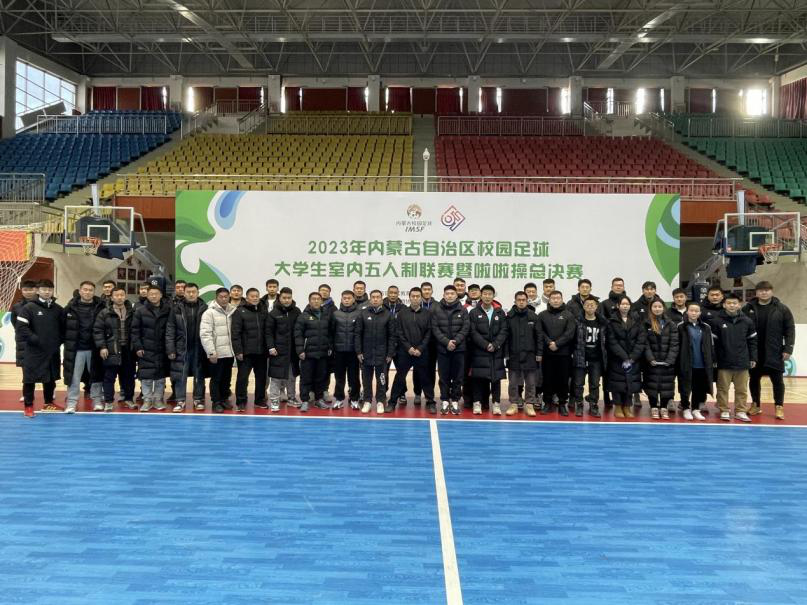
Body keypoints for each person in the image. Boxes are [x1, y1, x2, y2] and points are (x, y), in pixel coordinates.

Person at [743, 281, 794, 420]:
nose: (764, 292)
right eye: (761, 290)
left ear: (772, 291)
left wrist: (788, 348)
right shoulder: (747, 308)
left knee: (777, 381)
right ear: (756, 293)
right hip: (754, 351)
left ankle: (779, 406)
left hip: (775, 351)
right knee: (754, 379)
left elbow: (790, 329)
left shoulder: (782, 308)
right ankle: (755, 405)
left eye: (766, 290)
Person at [16, 279, 63, 417]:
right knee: (29, 379)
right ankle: (28, 406)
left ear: (52, 291)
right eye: (44, 289)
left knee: (50, 378)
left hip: (52, 351)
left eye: (49, 289)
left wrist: (57, 342)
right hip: (34, 351)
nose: (47, 292)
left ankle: (48, 403)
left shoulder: (58, 309)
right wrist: (35, 340)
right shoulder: (29, 308)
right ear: (37, 291)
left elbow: (64, 328)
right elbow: (21, 328)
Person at [389, 287, 435, 413]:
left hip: (422, 353)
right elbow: (399, 332)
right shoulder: (402, 313)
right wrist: (408, 347)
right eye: (413, 296)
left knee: (425, 378)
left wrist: (420, 348)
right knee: (399, 378)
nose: (415, 298)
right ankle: (392, 402)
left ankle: (431, 402)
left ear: (421, 298)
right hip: (405, 352)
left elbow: (429, 333)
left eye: (417, 296)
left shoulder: (427, 314)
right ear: (409, 297)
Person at [712, 293, 757, 422]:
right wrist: (714, 359)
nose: (732, 305)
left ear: (739, 305)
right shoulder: (716, 321)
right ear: (724, 305)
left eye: (734, 303)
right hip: (723, 362)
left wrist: (753, 358)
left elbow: (753, 341)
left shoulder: (747, 321)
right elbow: (713, 343)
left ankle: (740, 411)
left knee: (742, 389)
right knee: (722, 388)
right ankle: (724, 410)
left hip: (742, 361)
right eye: (729, 303)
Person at [62, 281, 106, 413]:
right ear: (80, 291)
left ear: (94, 292)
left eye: (90, 290)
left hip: (95, 348)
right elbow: (61, 327)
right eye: (85, 290)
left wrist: (102, 345)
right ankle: (71, 403)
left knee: (96, 376)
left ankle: (97, 401)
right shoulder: (69, 308)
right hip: (76, 350)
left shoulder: (101, 307)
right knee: (74, 378)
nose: (87, 292)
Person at [165, 282, 208, 412]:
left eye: (193, 292)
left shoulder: (205, 308)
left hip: (199, 348)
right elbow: (170, 330)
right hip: (181, 348)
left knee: (199, 375)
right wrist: (171, 349)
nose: (191, 294)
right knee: (180, 376)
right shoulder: (176, 308)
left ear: (198, 293)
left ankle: (198, 399)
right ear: (184, 293)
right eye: (188, 292)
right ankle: (180, 400)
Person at [467, 285, 508, 415]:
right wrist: (485, 345)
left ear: (493, 296)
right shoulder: (474, 312)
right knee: (478, 378)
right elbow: (473, 332)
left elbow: (504, 330)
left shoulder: (500, 312)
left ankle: (496, 404)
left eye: (490, 294)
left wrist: (495, 345)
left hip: (496, 351)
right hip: (479, 351)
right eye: (485, 294)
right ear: (481, 295)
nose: (487, 296)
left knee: (496, 379)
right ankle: (477, 403)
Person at [94, 286, 136, 411]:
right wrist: (102, 346)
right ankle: (108, 401)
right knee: (109, 377)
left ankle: (129, 399)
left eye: (122, 295)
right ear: (112, 298)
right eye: (116, 295)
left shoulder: (132, 312)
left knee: (129, 376)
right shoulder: (104, 312)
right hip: (111, 349)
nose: (119, 297)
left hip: (128, 349)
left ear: (125, 296)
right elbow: (98, 330)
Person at [131, 285, 172, 412]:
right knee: (146, 377)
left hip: (162, 349)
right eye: (151, 294)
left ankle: (158, 399)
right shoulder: (140, 311)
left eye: (156, 293)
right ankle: (147, 400)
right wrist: (138, 346)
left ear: (161, 295)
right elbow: (134, 331)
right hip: (145, 349)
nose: (153, 296)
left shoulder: (168, 310)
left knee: (160, 377)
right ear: (147, 296)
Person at [536, 291, 576, 416]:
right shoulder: (542, 315)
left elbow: (570, 333)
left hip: (564, 354)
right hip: (547, 353)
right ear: (549, 300)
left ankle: (562, 403)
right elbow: (540, 332)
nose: (555, 300)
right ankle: (547, 403)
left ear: (562, 299)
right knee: (547, 379)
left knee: (563, 380)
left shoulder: (569, 315)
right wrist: (549, 343)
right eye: (553, 298)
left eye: (558, 298)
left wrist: (557, 344)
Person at [432, 285, 470, 415]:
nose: (449, 295)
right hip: (443, 349)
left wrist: (455, 341)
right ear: (443, 295)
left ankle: (455, 400)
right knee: (443, 377)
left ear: (456, 295)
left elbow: (465, 328)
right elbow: (435, 328)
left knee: (458, 377)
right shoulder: (437, 309)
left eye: (452, 293)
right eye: (447, 293)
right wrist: (446, 342)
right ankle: (444, 400)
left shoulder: (463, 310)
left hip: (459, 349)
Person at [606, 296, 646, 419]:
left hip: (633, 358)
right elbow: (611, 341)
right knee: (617, 383)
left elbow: (641, 340)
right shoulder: (611, 321)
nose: (625, 306)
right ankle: (618, 406)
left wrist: (632, 357)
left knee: (630, 382)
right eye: (622, 304)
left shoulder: (637, 320)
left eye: (627, 304)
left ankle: (627, 406)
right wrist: (624, 357)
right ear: (618, 306)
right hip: (617, 358)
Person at [356, 289, 395, 413]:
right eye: (373, 297)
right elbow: (358, 334)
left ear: (382, 299)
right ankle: (367, 401)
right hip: (366, 354)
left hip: (382, 355)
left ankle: (380, 401)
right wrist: (359, 352)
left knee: (381, 380)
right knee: (366, 380)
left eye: (378, 297)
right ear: (370, 299)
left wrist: (390, 353)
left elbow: (392, 336)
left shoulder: (388, 315)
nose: (375, 299)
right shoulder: (362, 314)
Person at [505, 291, 543, 417]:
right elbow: (506, 336)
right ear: (515, 301)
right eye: (519, 300)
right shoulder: (509, 317)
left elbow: (539, 337)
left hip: (530, 355)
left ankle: (529, 404)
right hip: (513, 354)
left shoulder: (533, 316)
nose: (521, 302)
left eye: (523, 300)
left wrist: (539, 353)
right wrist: (506, 353)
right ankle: (514, 404)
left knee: (531, 382)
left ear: (527, 301)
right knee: (513, 382)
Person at [231, 287, 268, 412]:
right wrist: (238, 351)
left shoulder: (263, 311)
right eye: (252, 296)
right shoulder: (239, 311)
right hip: (245, 353)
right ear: (247, 298)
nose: (255, 298)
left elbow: (267, 331)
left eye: (257, 296)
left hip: (261, 352)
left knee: (261, 378)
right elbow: (235, 333)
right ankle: (241, 401)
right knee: (242, 378)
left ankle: (259, 400)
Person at [200, 287, 236, 413]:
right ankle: (216, 402)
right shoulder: (209, 313)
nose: (224, 299)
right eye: (221, 297)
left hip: (229, 352)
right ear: (216, 297)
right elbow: (205, 334)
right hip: (216, 353)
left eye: (226, 297)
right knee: (216, 379)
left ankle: (224, 398)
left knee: (227, 378)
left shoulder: (232, 311)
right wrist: (211, 352)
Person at [642, 299, 680, 420]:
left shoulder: (671, 324)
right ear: (650, 308)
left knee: (666, 386)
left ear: (663, 308)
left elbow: (674, 344)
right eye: (655, 306)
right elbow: (644, 343)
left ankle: (663, 407)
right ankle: (654, 407)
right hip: (651, 363)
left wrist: (670, 359)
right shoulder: (646, 323)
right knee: (651, 386)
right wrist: (650, 358)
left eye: (659, 306)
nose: (657, 309)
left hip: (667, 363)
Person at [295, 292, 332, 412]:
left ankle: (318, 400)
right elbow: (298, 334)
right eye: (313, 299)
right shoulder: (303, 316)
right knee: (306, 378)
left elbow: (330, 333)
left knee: (320, 378)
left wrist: (329, 347)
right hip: (307, 354)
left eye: (318, 299)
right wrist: (300, 350)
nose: (316, 301)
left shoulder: (326, 315)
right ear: (309, 301)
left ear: (321, 301)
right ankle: (305, 401)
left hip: (322, 353)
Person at [677, 302, 714, 421]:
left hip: (701, 364)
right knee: (685, 387)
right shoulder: (681, 326)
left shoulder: (706, 327)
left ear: (700, 313)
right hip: (686, 363)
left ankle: (695, 409)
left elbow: (710, 345)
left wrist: (711, 360)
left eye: (696, 311)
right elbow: (677, 345)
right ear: (687, 312)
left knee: (698, 388)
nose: (693, 313)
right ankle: (685, 408)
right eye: (691, 310)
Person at [265, 287, 301, 412]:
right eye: (284, 298)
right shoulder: (273, 313)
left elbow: (300, 331)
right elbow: (268, 332)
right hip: (278, 351)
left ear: (292, 298)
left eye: (289, 298)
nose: (286, 300)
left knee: (292, 376)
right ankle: (274, 400)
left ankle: (291, 398)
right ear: (279, 298)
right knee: (276, 377)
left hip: (293, 352)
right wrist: (271, 347)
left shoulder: (296, 311)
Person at [572, 297, 607, 417]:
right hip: (580, 357)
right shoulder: (577, 321)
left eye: (592, 305)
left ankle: (593, 405)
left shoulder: (603, 322)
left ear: (596, 307)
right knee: (578, 384)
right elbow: (572, 338)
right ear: (583, 306)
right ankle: (579, 404)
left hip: (596, 359)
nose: (590, 307)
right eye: (587, 304)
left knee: (595, 384)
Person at [331, 290, 361, 410]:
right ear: (341, 299)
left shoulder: (359, 314)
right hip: (339, 351)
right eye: (345, 298)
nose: (347, 300)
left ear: (353, 299)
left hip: (353, 352)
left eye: (349, 298)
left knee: (354, 377)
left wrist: (359, 350)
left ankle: (354, 399)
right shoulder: (335, 314)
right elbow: (332, 332)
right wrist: (332, 348)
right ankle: (339, 399)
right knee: (339, 377)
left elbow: (360, 333)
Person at [412, 281, 437, 406]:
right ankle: (417, 393)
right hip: (418, 344)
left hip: (433, 343)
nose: (426, 291)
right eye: (424, 289)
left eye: (429, 289)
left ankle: (429, 395)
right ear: (421, 292)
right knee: (417, 369)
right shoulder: (415, 306)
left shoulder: (438, 306)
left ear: (432, 291)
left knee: (431, 370)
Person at [11, 280, 39, 391]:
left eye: (31, 290)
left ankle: (49, 392)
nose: (28, 292)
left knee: (44, 367)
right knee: (26, 370)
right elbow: (15, 324)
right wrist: (26, 334)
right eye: (25, 290)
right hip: (24, 342)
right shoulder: (16, 307)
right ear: (21, 291)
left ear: (36, 290)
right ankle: (27, 393)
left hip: (40, 340)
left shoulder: (43, 304)